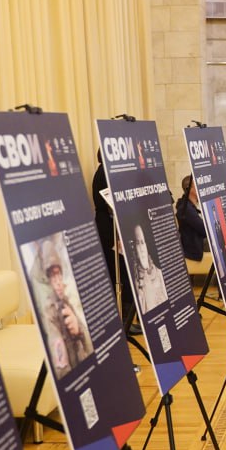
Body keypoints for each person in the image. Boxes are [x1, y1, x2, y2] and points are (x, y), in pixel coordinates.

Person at [92, 149, 135, 329]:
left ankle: (126, 321)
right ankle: (124, 323)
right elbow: (110, 205)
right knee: (120, 275)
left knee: (123, 276)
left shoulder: (104, 172)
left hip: (112, 228)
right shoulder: (104, 173)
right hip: (110, 231)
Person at [39, 240, 94, 377]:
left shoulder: (66, 301)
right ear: (48, 279)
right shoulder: (49, 311)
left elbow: (90, 344)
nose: (57, 281)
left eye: (58, 274)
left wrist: (79, 330)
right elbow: (61, 365)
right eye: (52, 276)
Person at [129, 222, 168, 311]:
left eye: (142, 242)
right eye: (137, 243)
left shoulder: (159, 273)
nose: (141, 249)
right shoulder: (136, 281)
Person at [176, 175, 209, 261]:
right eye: (197, 185)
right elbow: (204, 230)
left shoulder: (192, 205)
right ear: (188, 189)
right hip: (194, 246)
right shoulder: (186, 208)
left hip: (199, 240)